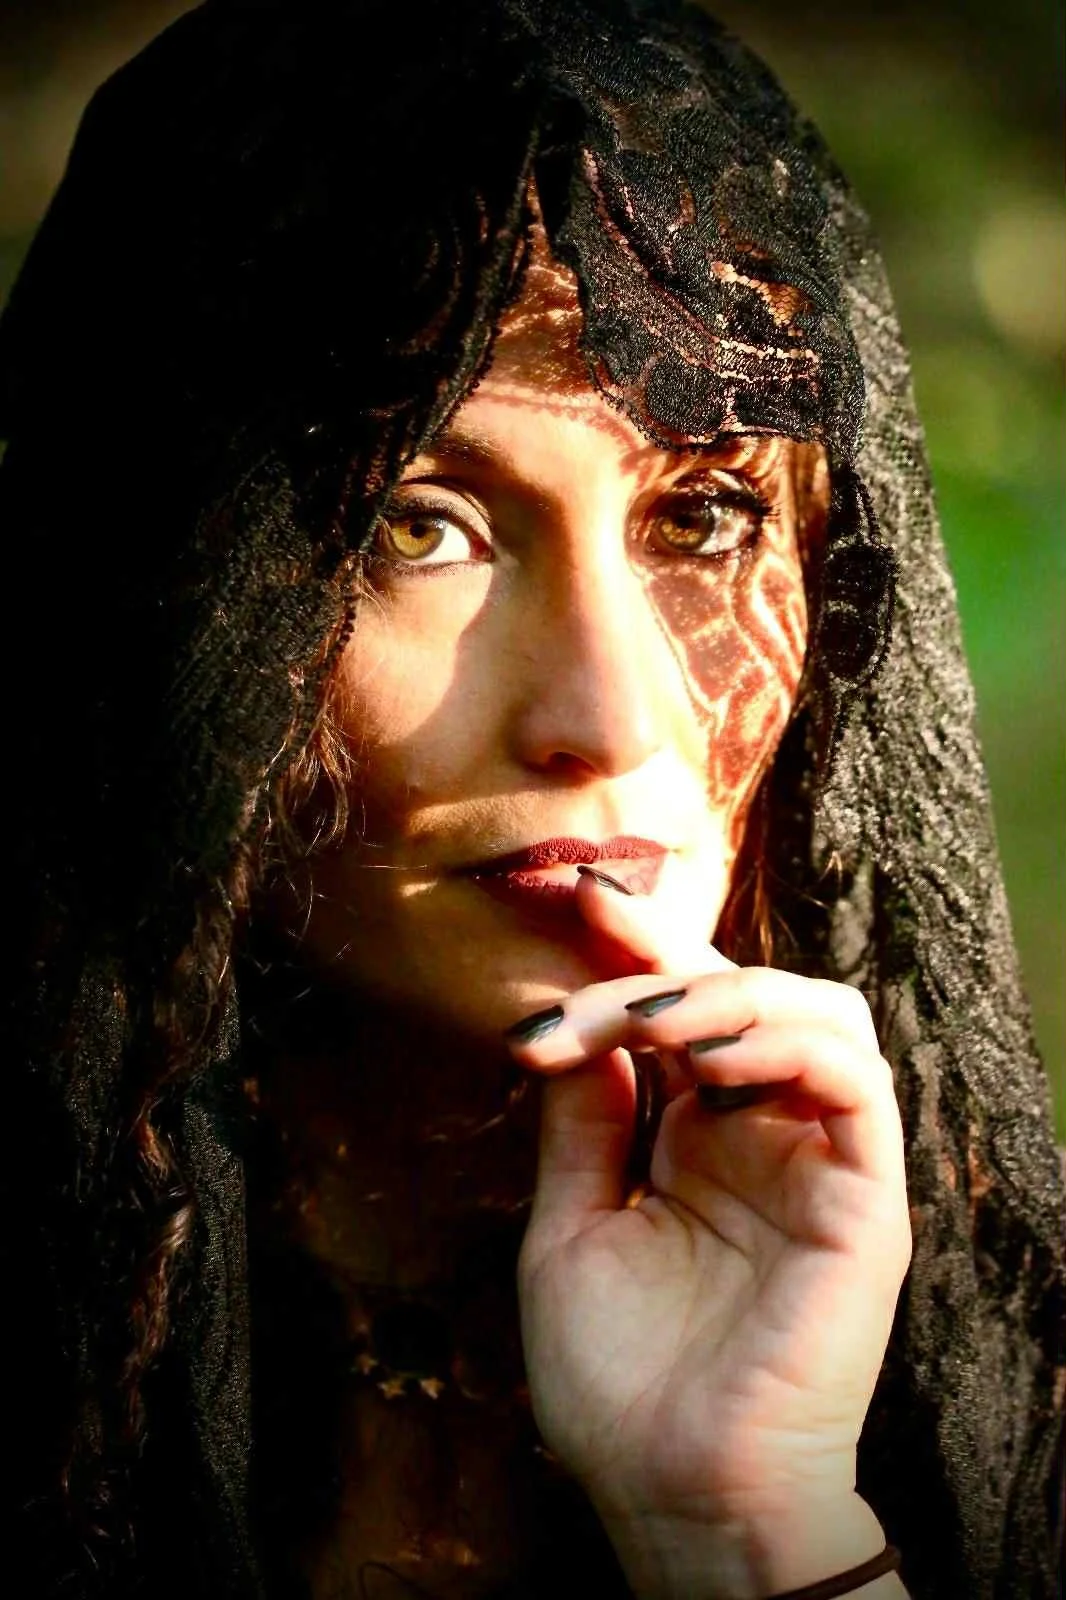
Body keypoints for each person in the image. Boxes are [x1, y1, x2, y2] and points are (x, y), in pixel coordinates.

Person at [0, 1, 1061, 1597]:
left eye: (703, 517)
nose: (609, 716)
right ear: (171, 583)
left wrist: (747, 1520)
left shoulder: (998, 1379)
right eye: (418, 526)